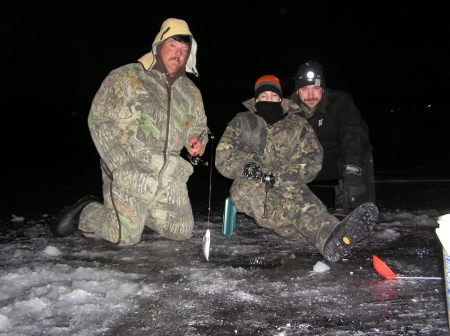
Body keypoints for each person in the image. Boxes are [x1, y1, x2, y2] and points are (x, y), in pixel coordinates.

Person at [51, 18, 209, 245]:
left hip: (169, 175)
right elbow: (100, 120)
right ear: (158, 46)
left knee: (180, 231)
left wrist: (197, 141)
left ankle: (136, 214)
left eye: (184, 50)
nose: (178, 54)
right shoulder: (127, 77)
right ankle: (88, 212)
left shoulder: (191, 91)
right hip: (130, 167)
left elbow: (199, 127)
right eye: (173, 46)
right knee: (124, 238)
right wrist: (121, 165)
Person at [215, 75, 378, 262]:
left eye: (273, 96)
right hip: (250, 183)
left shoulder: (298, 123)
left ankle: (329, 236)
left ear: (280, 98)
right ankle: (329, 233)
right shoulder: (241, 121)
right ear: (256, 99)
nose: (269, 100)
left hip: (287, 183)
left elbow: (313, 159)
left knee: (298, 198)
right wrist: (246, 167)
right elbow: (223, 156)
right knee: (260, 197)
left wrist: (285, 174)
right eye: (263, 96)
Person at [289, 61, 375, 215]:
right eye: (304, 89)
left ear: (323, 89)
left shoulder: (340, 102)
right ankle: (294, 208)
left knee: (361, 153)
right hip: (307, 164)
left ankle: (358, 207)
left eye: (316, 88)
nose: (310, 95)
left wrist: (352, 169)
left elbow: (353, 134)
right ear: (297, 92)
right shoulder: (287, 111)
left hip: (338, 160)